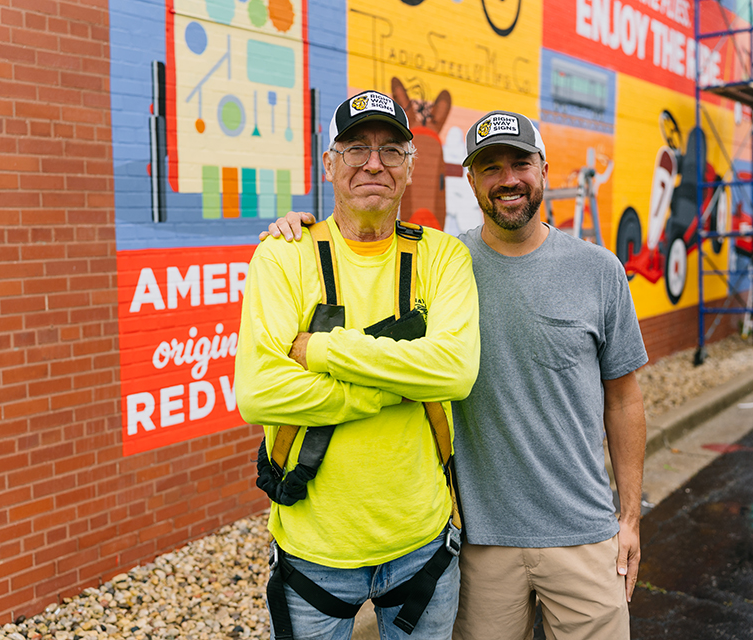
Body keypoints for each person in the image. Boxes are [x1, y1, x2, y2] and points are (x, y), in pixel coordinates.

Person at [263, 110, 648, 640]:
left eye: (520, 163)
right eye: (490, 168)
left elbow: (625, 400)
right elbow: (361, 236)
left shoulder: (599, 270)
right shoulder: (446, 261)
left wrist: (628, 519)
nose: (507, 179)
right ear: (471, 180)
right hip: (483, 541)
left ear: (543, 169)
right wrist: (295, 228)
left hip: (584, 534)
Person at [234, 90, 480, 640]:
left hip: (422, 548)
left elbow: (456, 372)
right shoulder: (283, 255)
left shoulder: (443, 257)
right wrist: (391, 387)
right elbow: (257, 391)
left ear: (410, 165)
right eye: (355, 148)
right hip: (313, 552)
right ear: (329, 163)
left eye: (392, 150)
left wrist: (318, 351)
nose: (374, 163)